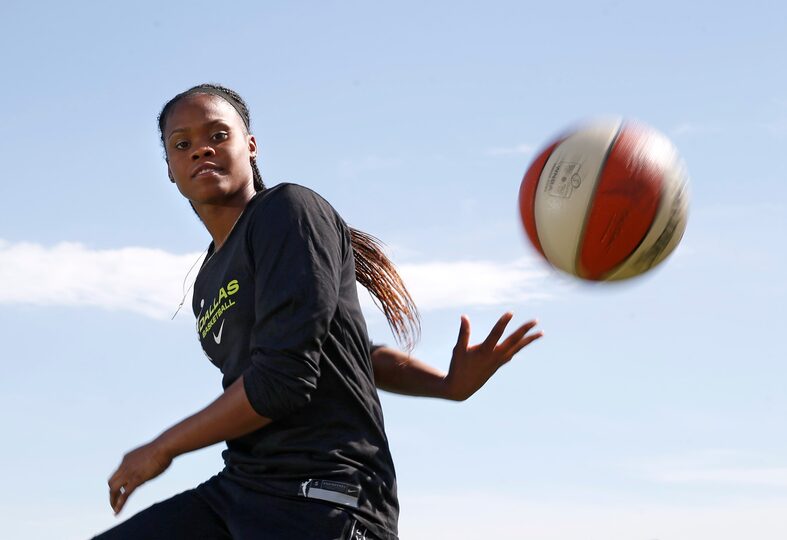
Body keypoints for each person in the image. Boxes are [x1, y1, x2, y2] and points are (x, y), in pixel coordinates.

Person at [93, 84, 542, 540]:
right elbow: (345, 350)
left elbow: (282, 382)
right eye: (181, 144)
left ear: (250, 146)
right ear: (169, 169)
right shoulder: (208, 281)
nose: (200, 149)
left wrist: (163, 447)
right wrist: (444, 385)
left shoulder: (287, 211)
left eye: (218, 134)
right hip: (242, 489)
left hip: (322, 496)